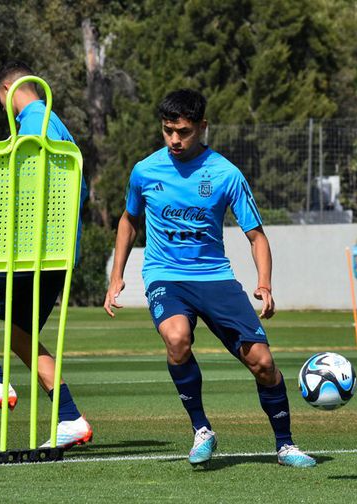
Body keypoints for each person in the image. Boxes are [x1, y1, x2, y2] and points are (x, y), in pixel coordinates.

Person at [103, 89, 316, 468]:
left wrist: (264, 284)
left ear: (202, 127)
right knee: (177, 338)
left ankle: (285, 445)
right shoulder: (145, 170)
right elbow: (128, 220)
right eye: (168, 130)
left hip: (215, 278)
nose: (174, 140)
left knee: (263, 364)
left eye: (182, 131)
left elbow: (257, 236)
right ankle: (202, 429)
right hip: (165, 275)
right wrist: (116, 275)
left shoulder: (225, 173)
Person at [0, 61, 92, 449]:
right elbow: (76, 187)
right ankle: (70, 417)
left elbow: (27, 181)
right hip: (57, 255)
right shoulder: (59, 127)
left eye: (1, 101)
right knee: (20, 335)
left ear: (8, 91)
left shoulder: (32, 122)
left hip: (25, 252)